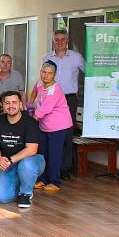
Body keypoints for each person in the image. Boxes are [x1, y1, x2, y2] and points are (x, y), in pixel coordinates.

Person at [0, 91, 45, 208]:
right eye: (7, 103)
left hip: (32, 161)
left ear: (20, 105)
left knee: (26, 165)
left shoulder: (30, 122)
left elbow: (32, 150)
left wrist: (10, 160)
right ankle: (21, 181)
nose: (11, 106)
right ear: (2, 105)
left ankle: (25, 193)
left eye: (14, 102)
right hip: (9, 163)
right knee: (1, 197)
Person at [42, 29, 85, 181]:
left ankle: (64, 168)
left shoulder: (76, 57)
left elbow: (89, 73)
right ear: (53, 40)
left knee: (66, 134)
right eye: (57, 39)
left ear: (67, 40)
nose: (60, 42)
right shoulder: (47, 57)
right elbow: (42, 79)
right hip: (49, 99)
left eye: (63, 39)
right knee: (48, 133)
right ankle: (49, 168)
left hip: (68, 99)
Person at [33, 61, 73, 192]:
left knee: (54, 154)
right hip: (45, 126)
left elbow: (45, 108)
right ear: (40, 72)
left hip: (58, 126)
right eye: (44, 72)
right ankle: (44, 179)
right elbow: (35, 94)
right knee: (43, 154)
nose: (46, 75)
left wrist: (32, 120)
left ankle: (55, 181)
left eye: (50, 73)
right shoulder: (40, 85)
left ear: (54, 75)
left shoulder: (55, 89)